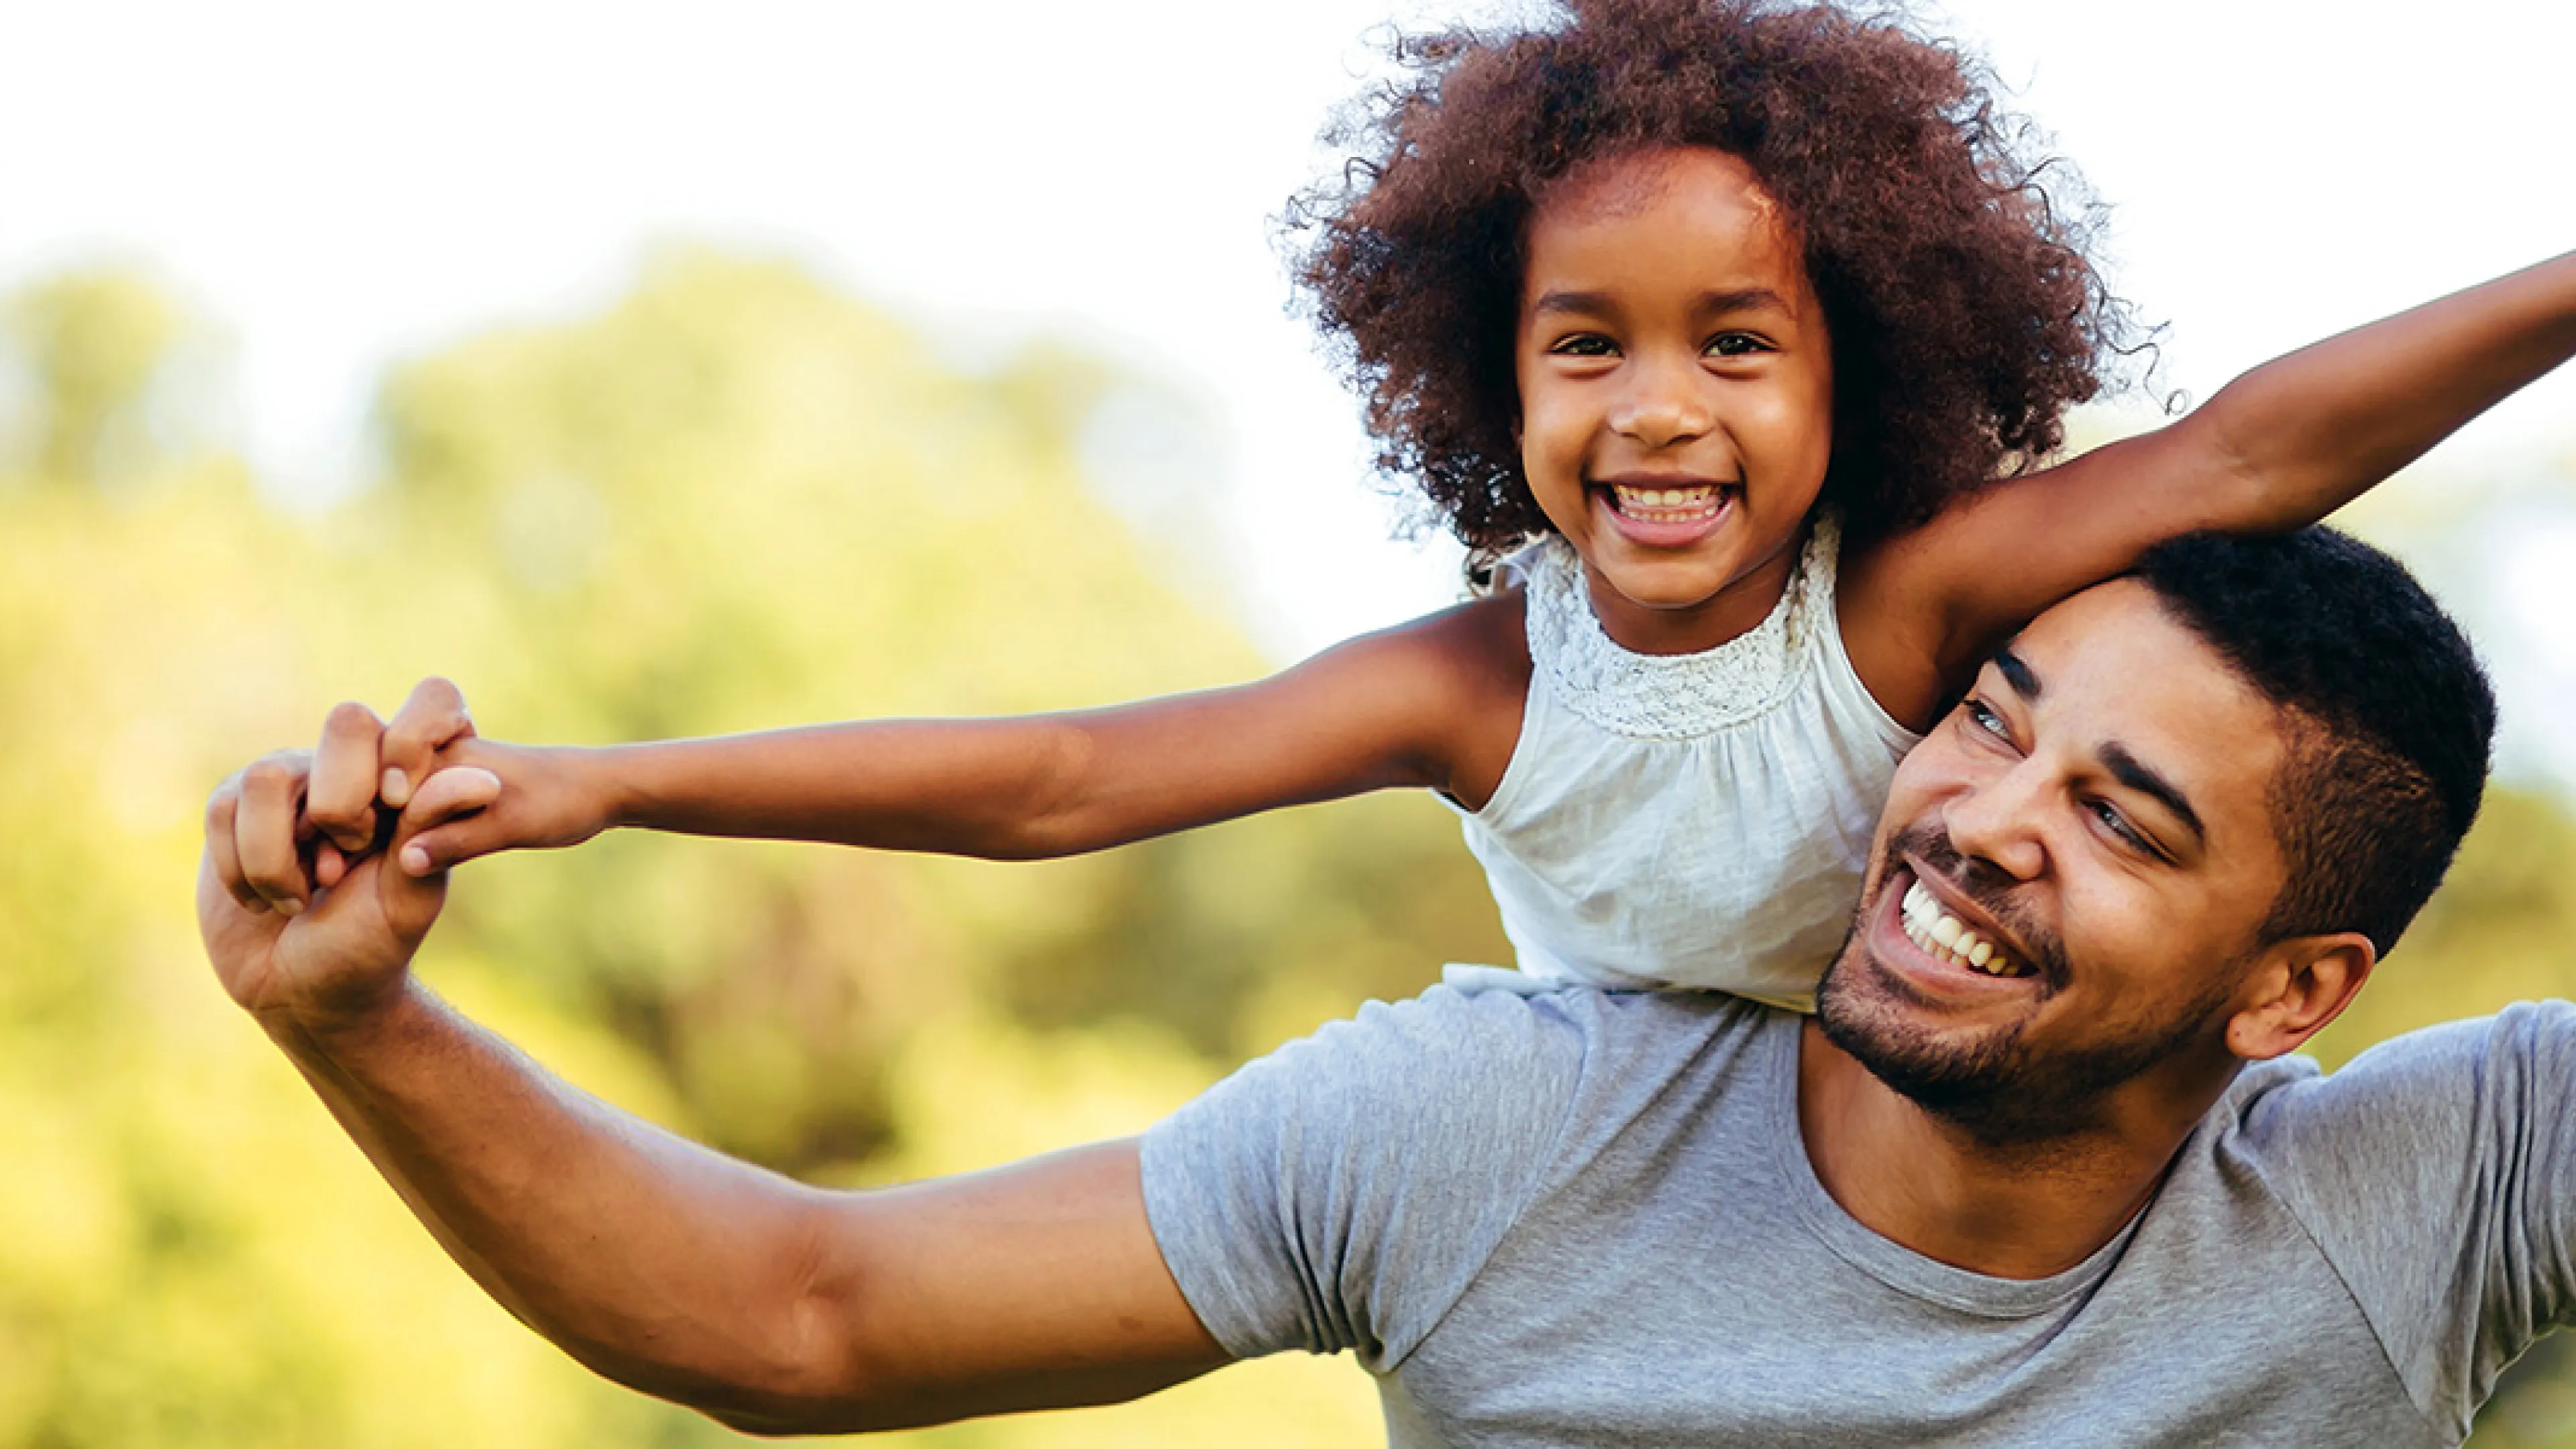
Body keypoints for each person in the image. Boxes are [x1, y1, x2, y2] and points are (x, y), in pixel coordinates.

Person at [225, 0, 2576, 1015]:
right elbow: (1066, 784)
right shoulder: (1482, 688)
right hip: (1633, 1184)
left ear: (1863, 365)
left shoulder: (1901, 614)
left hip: (1968, 1126)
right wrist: (609, 786)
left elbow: (2255, 451)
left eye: (1737, 345)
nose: (1661, 415)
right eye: (1590, 346)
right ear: (1491, 369)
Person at [202, 526, 2544, 1444]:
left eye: (2126, 821)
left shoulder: (2413, 1201)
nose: (1980, 818)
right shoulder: (1514, 1128)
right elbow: (795, 1316)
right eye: (1994, 715)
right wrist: (357, 1022)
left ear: (2288, 984)